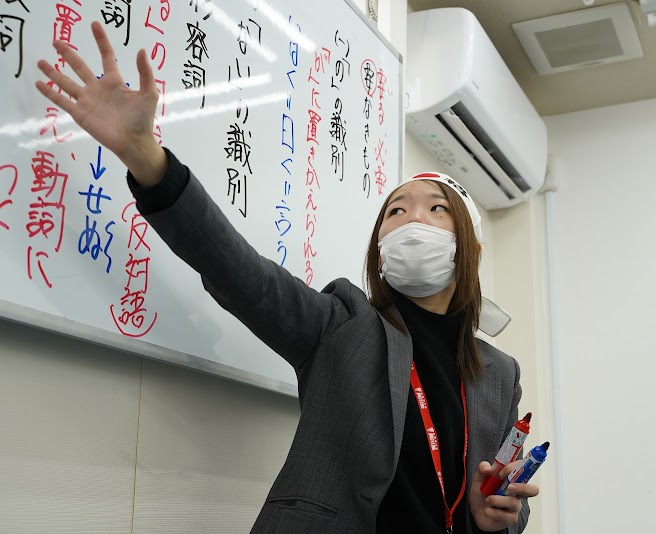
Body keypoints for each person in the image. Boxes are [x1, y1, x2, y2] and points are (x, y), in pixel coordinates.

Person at [35, 22, 540, 534]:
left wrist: (501, 514)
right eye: (395, 211)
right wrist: (147, 158)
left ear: (471, 250)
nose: (412, 220)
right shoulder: (345, 324)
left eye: (436, 209)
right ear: (379, 247)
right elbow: (238, 270)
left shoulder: (500, 374)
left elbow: (505, 498)